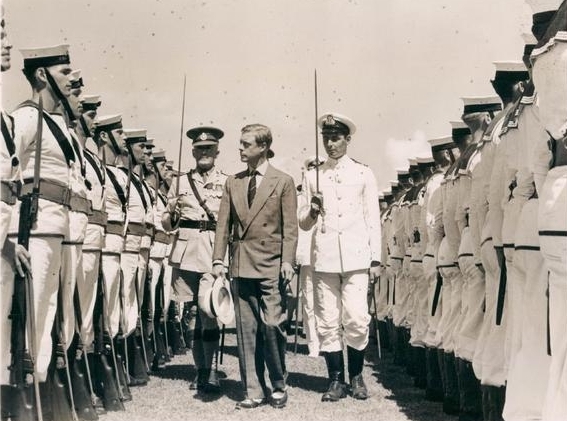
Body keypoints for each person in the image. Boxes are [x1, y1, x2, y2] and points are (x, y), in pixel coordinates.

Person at [212, 123, 297, 409]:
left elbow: (290, 228)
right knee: (246, 331)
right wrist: (217, 260)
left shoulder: (282, 181)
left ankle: (278, 383)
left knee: (272, 325)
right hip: (240, 265)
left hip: (271, 265)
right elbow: (222, 226)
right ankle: (252, 389)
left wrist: (287, 261)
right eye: (240, 143)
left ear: (263, 147)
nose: (240, 148)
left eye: (246, 144)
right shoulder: (232, 182)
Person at [298, 113, 381, 402]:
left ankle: (356, 376)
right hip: (325, 257)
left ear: (347, 139)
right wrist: (312, 209)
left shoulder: (363, 173)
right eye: (326, 138)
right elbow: (303, 222)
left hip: (357, 257)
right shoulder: (312, 176)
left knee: (357, 318)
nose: (330, 143)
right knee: (328, 320)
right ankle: (335, 379)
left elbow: (373, 218)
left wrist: (376, 259)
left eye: (336, 138)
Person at [162, 126, 228, 393]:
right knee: (191, 313)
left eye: (209, 149)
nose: (204, 153)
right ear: (192, 151)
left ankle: (211, 369)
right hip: (185, 252)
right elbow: (167, 223)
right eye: (200, 149)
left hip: (212, 253)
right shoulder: (179, 182)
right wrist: (172, 213)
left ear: (217, 152)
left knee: (208, 311)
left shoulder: (227, 182)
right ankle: (199, 370)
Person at [296, 156, 326, 358]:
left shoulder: (329, 191)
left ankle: (326, 340)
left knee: (324, 299)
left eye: (319, 167)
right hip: (307, 252)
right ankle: (313, 343)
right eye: (312, 168)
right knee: (309, 301)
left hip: (325, 253)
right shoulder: (301, 197)